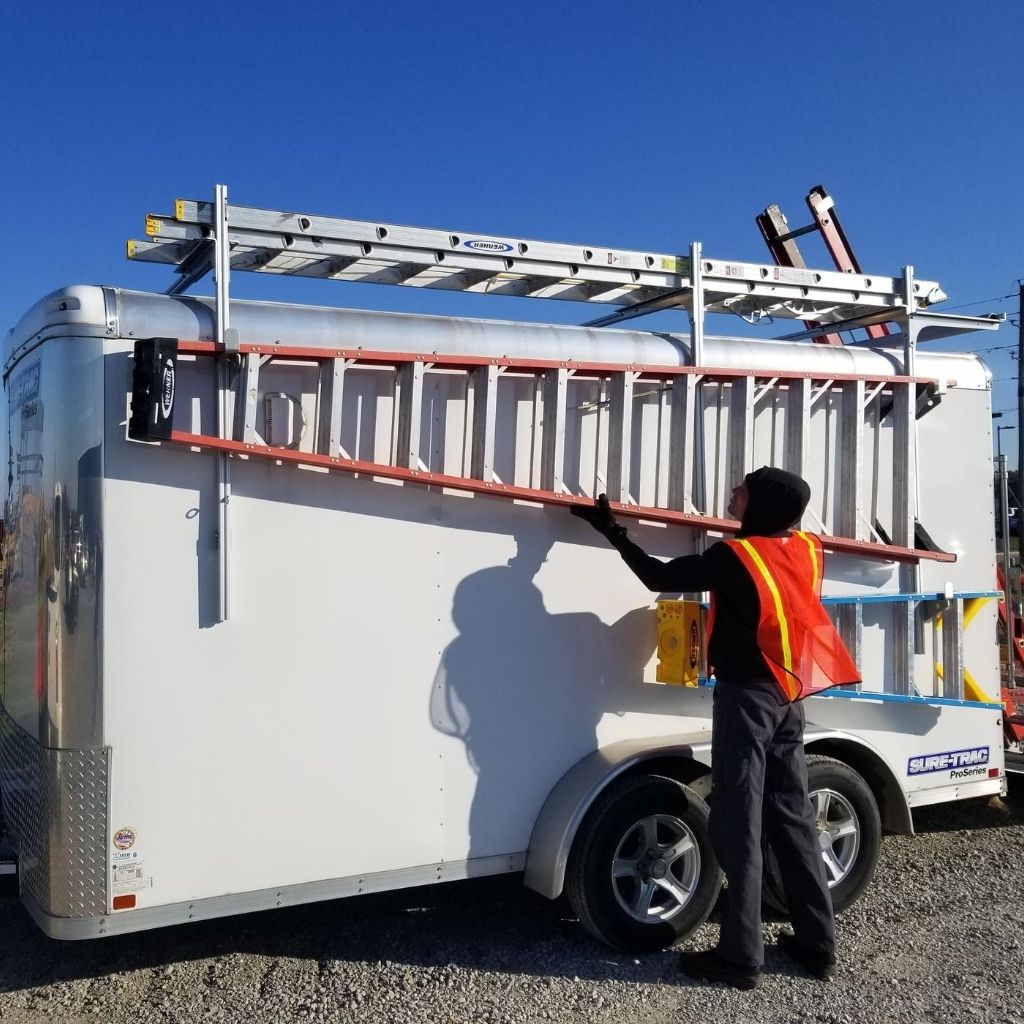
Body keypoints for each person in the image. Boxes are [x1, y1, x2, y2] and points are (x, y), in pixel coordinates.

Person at [570, 466, 860, 989]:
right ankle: (819, 946)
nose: (733, 494)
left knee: (738, 820)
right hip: (790, 695)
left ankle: (740, 958)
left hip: (748, 700)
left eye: (742, 490)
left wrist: (610, 529)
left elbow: (659, 578)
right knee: (792, 818)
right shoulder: (808, 549)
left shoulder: (736, 557)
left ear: (762, 504)